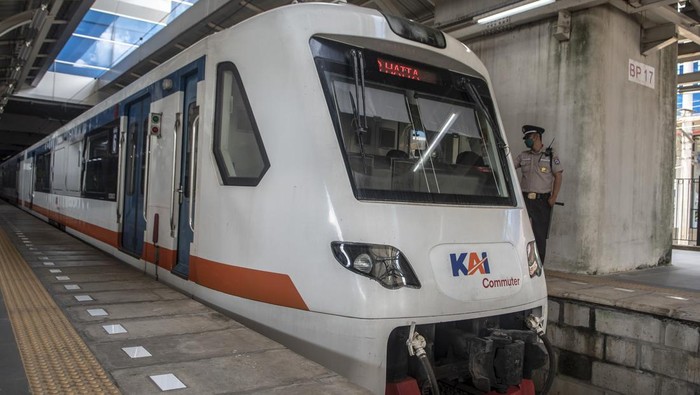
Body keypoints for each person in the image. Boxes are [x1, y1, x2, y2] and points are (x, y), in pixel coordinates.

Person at [515, 125, 563, 263]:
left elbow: (558, 176)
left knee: (539, 236)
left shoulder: (550, 155)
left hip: (542, 202)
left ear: (536, 137)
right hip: (524, 200)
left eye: (528, 138)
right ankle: (523, 264)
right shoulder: (523, 155)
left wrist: (554, 197)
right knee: (521, 234)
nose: (526, 141)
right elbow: (510, 167)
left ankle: (539, 268)